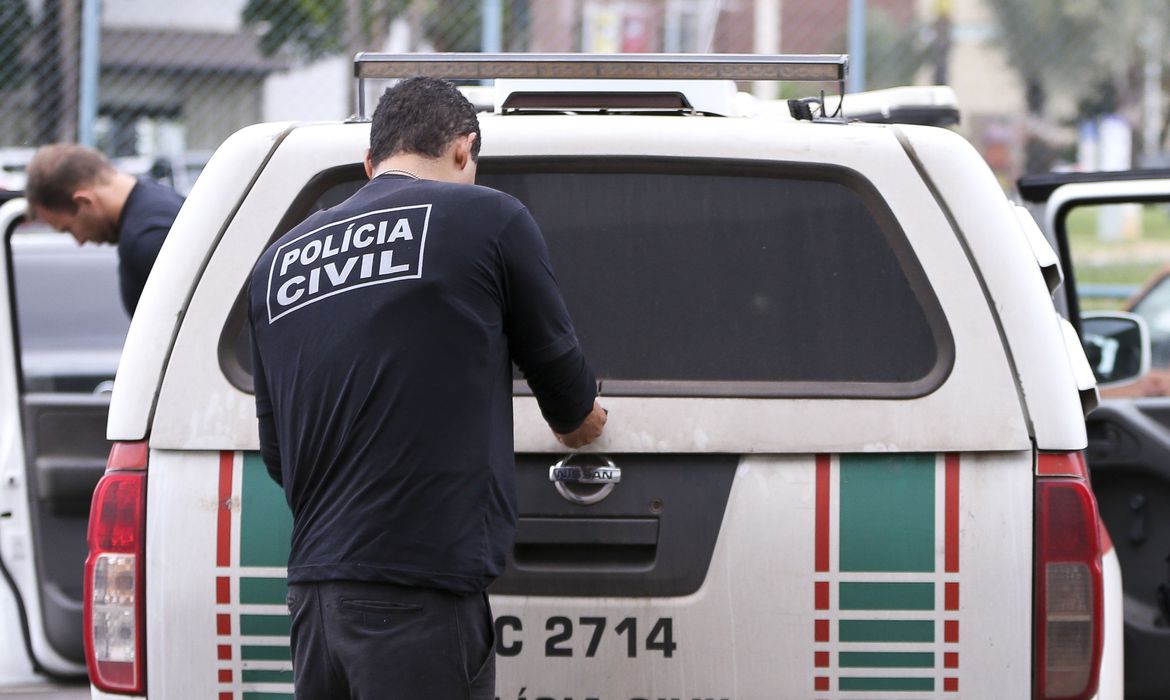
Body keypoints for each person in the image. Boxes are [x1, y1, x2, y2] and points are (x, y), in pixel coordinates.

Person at [248, 77, 607, 699]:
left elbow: (281, 457)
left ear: (370, 162)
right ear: (464, 149)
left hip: (313, 600)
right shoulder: (489, 218)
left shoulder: (275, 263)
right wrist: (591, 418)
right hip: (418, 593)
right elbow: (571, 408)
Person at [24, 143, 184, 316]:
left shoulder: (147, 239)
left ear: (84, 201)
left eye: (68, 229)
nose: (79, 241)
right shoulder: (160, 200)